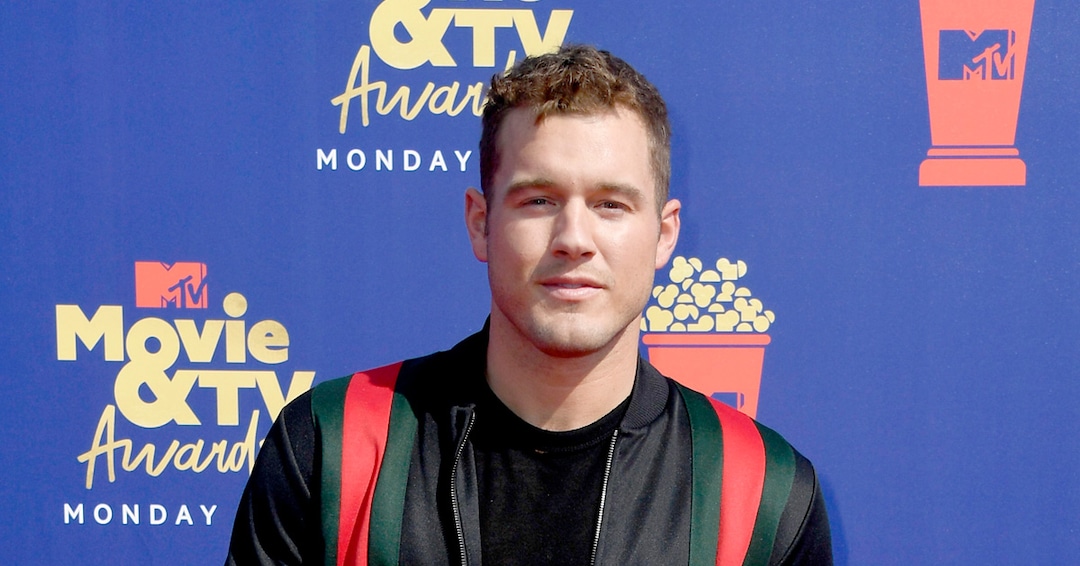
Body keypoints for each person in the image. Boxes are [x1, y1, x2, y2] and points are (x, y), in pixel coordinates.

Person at [226, 44, 832, 565]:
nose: (574, 238)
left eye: (611, 204)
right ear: (480, 223)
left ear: (664, 234)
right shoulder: (332, 445)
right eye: (539, 200)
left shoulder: (762, 491)